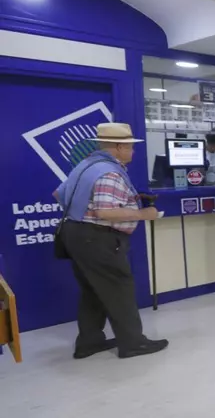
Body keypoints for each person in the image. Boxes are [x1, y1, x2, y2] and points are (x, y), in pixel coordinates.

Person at [54, 123, 168, 359]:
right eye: (130, 147)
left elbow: (59, 194)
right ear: (118, 147)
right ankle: (133, 343)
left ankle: (89, 342)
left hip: (75, 234)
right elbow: (105, 212)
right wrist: (143, 213)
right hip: (98, 238)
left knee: (92, 290)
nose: (133, 151)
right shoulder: (110, 172)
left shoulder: (86, 165)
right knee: (119, 288)